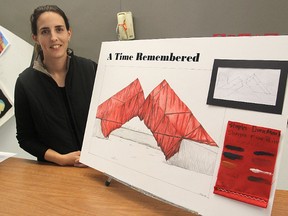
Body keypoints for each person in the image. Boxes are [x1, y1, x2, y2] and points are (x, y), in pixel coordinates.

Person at [14, 5, 97, 167]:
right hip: (53, 172)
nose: (53, 37)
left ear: (69, 33)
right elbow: (25, 138)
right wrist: (60, 159)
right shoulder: (25, 83)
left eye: (59, 29)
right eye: (45, 31)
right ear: (35, 38)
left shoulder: (91, 70)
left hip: (96, 169)